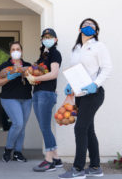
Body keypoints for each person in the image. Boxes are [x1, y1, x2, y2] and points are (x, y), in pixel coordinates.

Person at [58, 18, 112, 179]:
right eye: (85, 25)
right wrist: (70, 86)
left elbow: (107, 68)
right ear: (80, 28)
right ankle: (96, 167)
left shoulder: (98, 46)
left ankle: (78, 169)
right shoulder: (76, 49)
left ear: (96, 31)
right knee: (88, 129)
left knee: (80, 128)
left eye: (92, 26)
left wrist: (95, 84)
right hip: (80, 95)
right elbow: (76, 71)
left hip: (94, 94)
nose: (88, 27)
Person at [26, 28, 63, 171]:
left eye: (50, 36)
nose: (47, 39)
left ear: (55, 39)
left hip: (46, 94)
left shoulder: (55, 53)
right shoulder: (43, 55)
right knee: (45, 127)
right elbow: (38, 71)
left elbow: (54, 74)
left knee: (45, 127)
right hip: (38, 93)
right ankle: (56, 158)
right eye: (44, 37)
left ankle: (49, 161)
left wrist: (36, 78)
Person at [0, 41, 32, 163]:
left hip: (26, 99)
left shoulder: (28, 65)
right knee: (18, 123)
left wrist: (31, 75)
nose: (16, 51)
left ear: (21, 51)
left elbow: (35, 80)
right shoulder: (3, 66)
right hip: (9, 98)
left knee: (22, 127)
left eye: (18, 49)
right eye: (13, 49)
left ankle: (17, 153)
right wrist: (8, 77)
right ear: (10, 52)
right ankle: (8, 149)